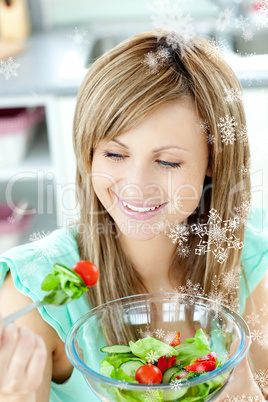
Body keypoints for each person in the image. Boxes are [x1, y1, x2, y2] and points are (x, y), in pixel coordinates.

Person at [0, 30, 267, 401]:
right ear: (89, 152)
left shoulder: (250, 256)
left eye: (168, 161)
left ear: (214, 161)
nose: (137, 185)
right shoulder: (38, 299)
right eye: (115, 154)